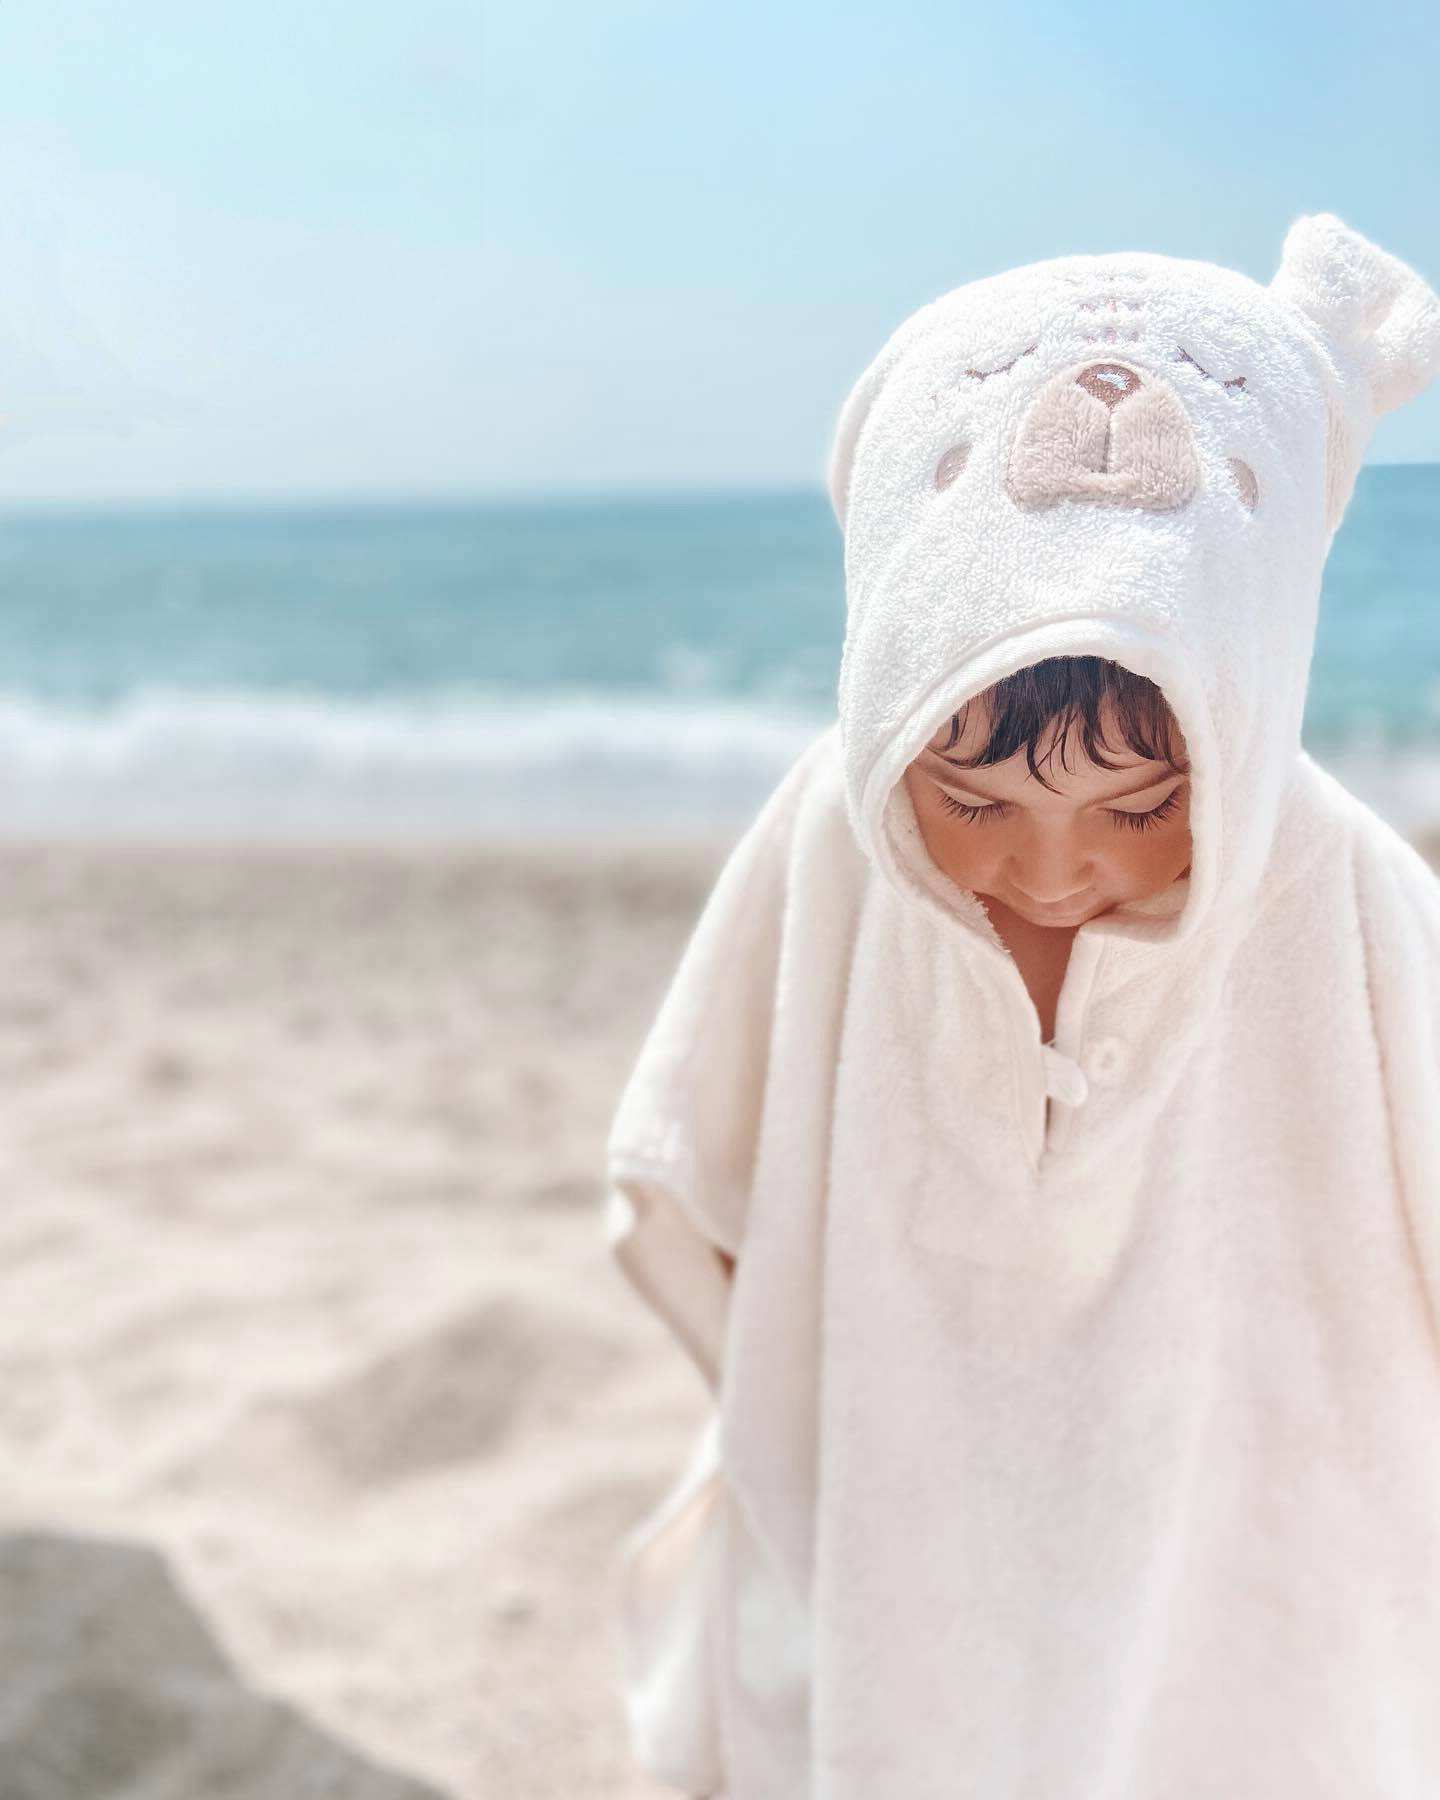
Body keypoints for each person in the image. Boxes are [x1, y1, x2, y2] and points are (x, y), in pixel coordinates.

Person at [601, 212, 1440, 1799]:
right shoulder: (834, 852)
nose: (1050, 871)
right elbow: (692, 1168)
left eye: (1139, 810)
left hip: (1247, 1534)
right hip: (917, 1515)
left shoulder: (1338, 893)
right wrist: (793, 1367)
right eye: (970, 799)